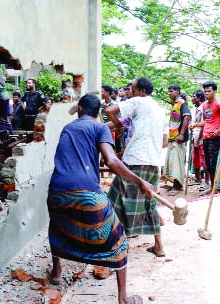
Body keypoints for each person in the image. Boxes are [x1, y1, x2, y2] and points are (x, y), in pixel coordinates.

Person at [47, 93, 149, 304]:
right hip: (86, 194)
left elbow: (81, 159)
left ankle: (56, 273)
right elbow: (111, 160)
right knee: (118, 237)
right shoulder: (100, 127)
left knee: (57, 225)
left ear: (81, 110)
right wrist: (139, 181)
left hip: (56, 192)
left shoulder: (68, 127)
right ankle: (122, 298)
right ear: (97, 113)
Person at [105, 77, 168, 258]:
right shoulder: (160, 110)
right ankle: (158, 246)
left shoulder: (137, 102)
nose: (129, 91)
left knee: (115, 200)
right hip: (153, 162)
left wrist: (117, 126)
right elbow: (164, 142)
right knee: (148, 202)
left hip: (135, 162)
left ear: (140, 90)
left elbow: (109, 110)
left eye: (131, 88)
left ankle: (112, 246)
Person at [190, 81, 220, 194]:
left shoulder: (218, 104)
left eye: (209, 91)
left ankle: (215, 188)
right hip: (206, 136)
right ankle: (212, 187)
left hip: (215, 138)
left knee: (213, 163)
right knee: (207, 164)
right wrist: (195, 124)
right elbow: (207, 121)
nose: (207, 93)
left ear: (215, 91)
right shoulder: (205, 105)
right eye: (205, 91)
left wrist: (218, 131)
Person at [163, 84, 191, 193]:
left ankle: (177, 186)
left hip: (179, 138)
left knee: (177, 162)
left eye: (171, 91)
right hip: (173, 138)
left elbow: (187, 117)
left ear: (178, 92)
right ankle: (175, 184)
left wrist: (182, 134)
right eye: (168, 91)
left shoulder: (182, 103)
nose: (169, 93)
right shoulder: (175, 104)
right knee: (173, 162)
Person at [189, 90, 209, 188]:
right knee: (195, 158)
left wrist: (200, 137)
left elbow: (203, 124)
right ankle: (197, 178)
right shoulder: (195, 109)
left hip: (201, 137)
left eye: (194, 96)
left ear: (199, 98)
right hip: (195, 136)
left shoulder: (203, 108)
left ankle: (206, 181)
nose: (192, 98)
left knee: (203, 159)